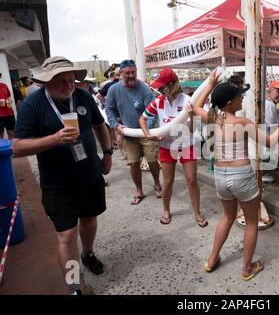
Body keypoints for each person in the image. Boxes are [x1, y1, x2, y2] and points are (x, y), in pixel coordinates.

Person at [12, 56, 112, 295]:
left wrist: (107, 153)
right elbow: (16, 147)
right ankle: (74, 286)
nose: (69, 86)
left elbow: (99, 125)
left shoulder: (83, 96)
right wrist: (54, 139)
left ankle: (87, 253)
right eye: (61, 81)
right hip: (57, 183)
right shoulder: (33, 104)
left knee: (89, 220)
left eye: (71, 81)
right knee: (67, 235)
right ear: (46, 82)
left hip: (89, 175)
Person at [189, 71, 279, 281]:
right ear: (231, 103)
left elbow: (195, 108)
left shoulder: (213, 118)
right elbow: (270, 142)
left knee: (227, 217)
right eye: (239, 96)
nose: (242, 98)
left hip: (220, 176)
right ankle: (247, 269)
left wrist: (210, 85)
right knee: (251, 222)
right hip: (241, 175)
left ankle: (212, 260)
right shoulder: (242, 123)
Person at [139, 67, 207, 227]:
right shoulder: (158, 101)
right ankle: (166, 210)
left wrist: (191, 116)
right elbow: (142, 119)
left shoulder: (187, 101)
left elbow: (192, 130)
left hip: (186, 144)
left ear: (173, 84)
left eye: (163, 86)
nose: (160, 90)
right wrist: (148, 134)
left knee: (192, 180)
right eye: (159, 87)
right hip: (166, 146)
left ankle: (197, 213)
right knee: (167, 181)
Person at [106, 59, 162, 203]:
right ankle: (139, 190)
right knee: (133, 163)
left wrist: (147, 130)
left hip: (146, 132)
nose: (131, 75)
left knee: (152, 161)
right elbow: (109, 110)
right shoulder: (113, 89)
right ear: (121, 73)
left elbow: (151, 110)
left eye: (133, 72)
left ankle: (157, 183)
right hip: (128, 133)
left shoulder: (143, 88)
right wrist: (116, 126)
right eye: (127, 73)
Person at [0, 73, 15, 140]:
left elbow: (8, 96)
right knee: (0, 135)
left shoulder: (4, 85)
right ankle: (2, 150)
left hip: (9, 113)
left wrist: (9, 100)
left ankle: (11, 149)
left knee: (12, 132)